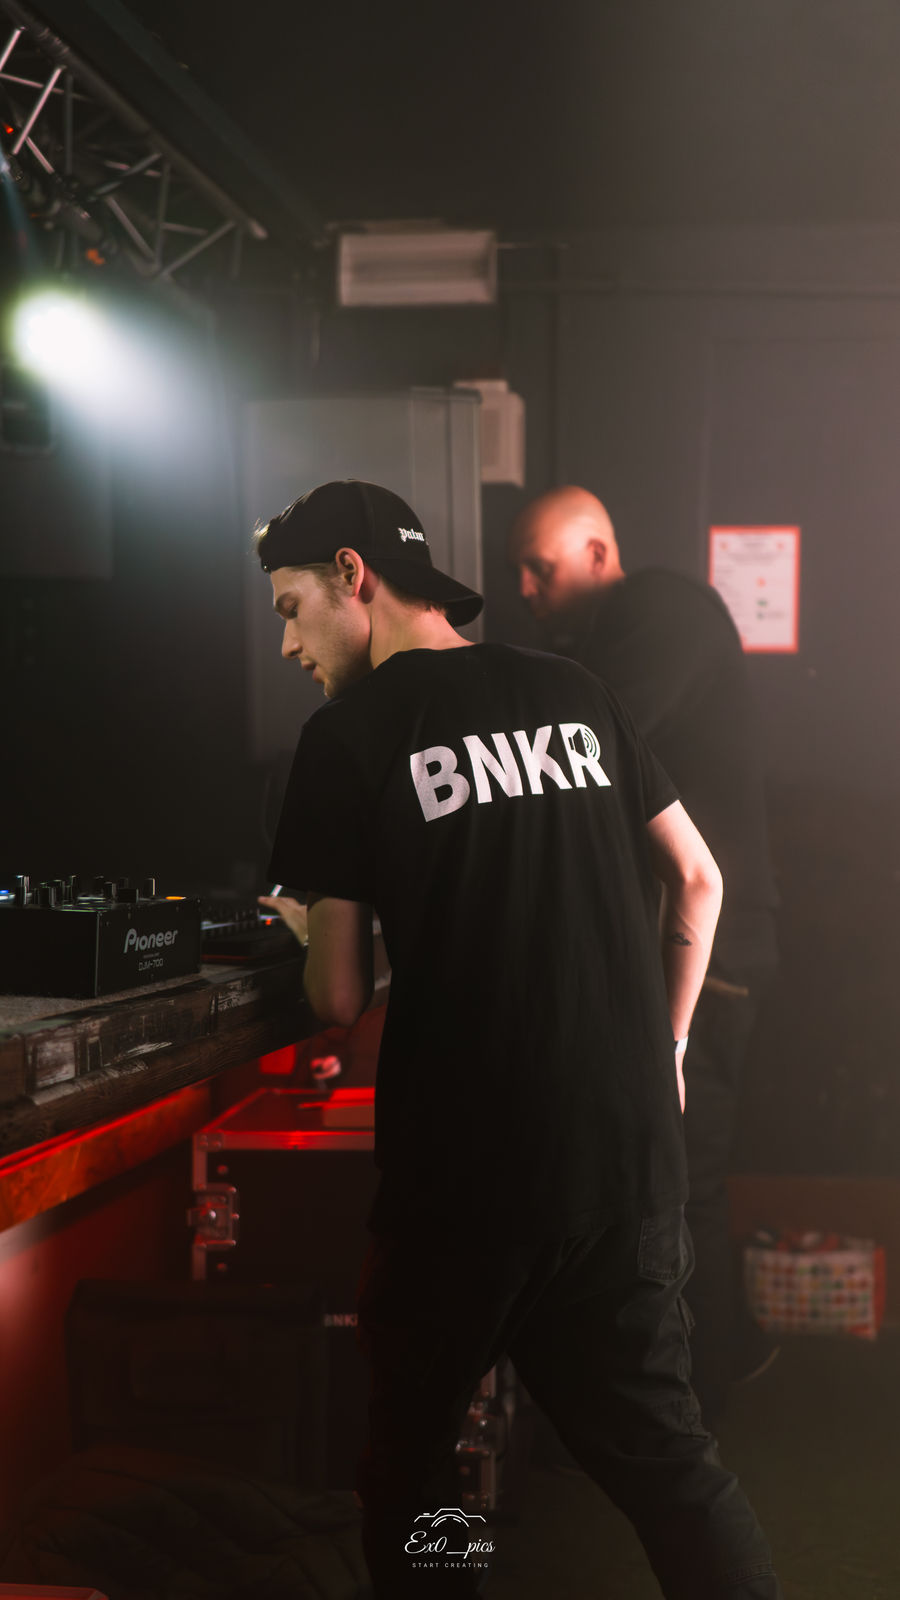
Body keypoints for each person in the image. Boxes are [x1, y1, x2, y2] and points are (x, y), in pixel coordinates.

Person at [255, 478, 783, 1600]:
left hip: (469, 1181)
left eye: (292, 609)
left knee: (412, 1473)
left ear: (354, 576)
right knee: (671, 1467)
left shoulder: (347, 737)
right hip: (625, 1158)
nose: (290, 646)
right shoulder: (576, 690)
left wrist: (305, 927)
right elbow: (699, 878)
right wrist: (667, 1049)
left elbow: (338, 995)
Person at [509, 485, 780, 1425]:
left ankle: (694, 1406)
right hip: (690, 943)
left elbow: (579, 755)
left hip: (712, 952)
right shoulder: (616, 638)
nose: (525, 587)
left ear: (597, 554)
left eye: (540, 566)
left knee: (683, 1175)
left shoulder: (661, 610)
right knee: (671, 1172)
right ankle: (708, 1371)